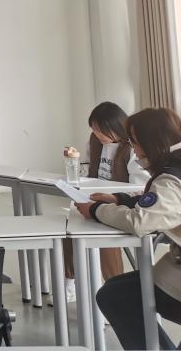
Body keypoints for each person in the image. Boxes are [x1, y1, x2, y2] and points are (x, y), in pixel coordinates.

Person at [76, 108, 181, 351]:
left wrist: (96, 210)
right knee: (114, 289)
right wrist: (120, 199)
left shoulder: (173, 179)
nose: (134, 149)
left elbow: (140, 222)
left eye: (134, 142)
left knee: (114, 296)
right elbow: (167, 202)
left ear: (149, 142)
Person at [59, 101, 149, 303]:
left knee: (104, 236)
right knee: (67, 228)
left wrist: (112, 197)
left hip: (120, 203)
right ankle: (69, 281)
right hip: (93, 197)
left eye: (100, 130)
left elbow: (138, 188)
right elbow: (86, 171)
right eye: (93, 129)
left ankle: (114, 291)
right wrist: (73, 162)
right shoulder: (94, 141)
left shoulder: (131, 148)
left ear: (116, 127)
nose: (96, 134)